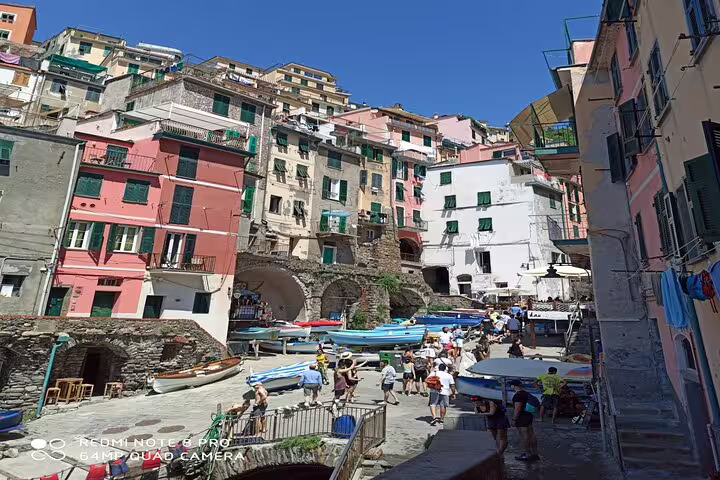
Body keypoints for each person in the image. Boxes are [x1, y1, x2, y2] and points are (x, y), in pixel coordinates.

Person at [509, 379, 539, 462]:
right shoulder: (526, 393)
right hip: (529, 415)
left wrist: (514, 419)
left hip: (521, 416)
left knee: (524, 436)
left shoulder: (518, 395)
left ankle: (527, 454)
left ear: (513, 386)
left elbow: (517, 408)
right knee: (531, 434)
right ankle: (534, 454)